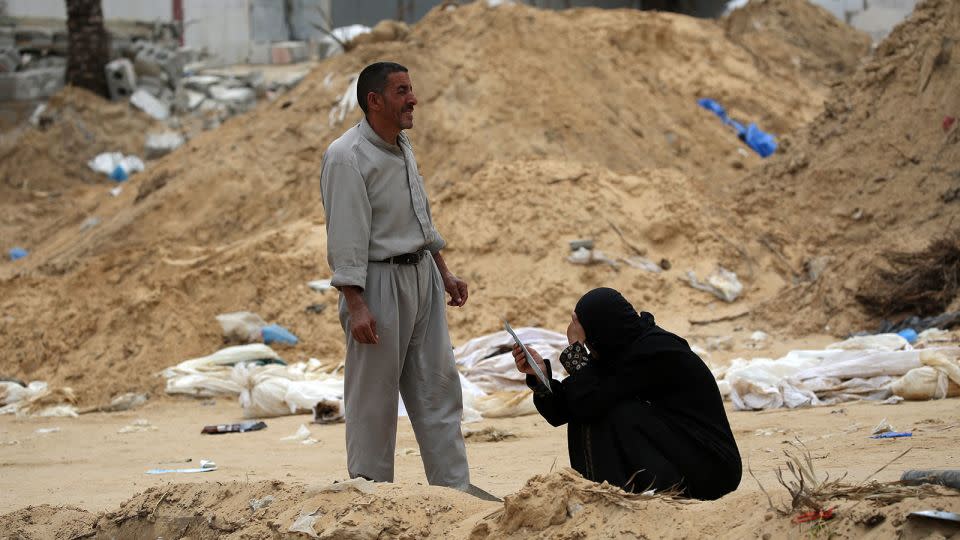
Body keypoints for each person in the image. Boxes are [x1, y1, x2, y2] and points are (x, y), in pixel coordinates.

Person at [320, 61, 470, 489]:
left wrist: (442, 271)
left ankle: (454, 496)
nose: (413, 99)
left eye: (411, 89)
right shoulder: (346, 156)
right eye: (402, 91)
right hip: (377, 287)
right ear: (375, 100)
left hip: (421, 278)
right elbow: (346, 237)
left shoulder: (402, 145)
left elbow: (420, 216)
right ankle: (369, 495)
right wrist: (356, 303)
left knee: (439, 391)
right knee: (374, 401)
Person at [512, 287, 741, 500]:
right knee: (594, 403)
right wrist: (540, 377)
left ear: (603, 333)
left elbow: (590, 401)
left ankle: (617, 494)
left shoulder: (656, 351)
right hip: (680, 454)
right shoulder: (621, 350)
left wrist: (575, 352)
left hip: (712, 467)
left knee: (614, 410)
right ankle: (603, 493)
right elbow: (567, 409)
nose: (590, 351)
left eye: (590, 344)